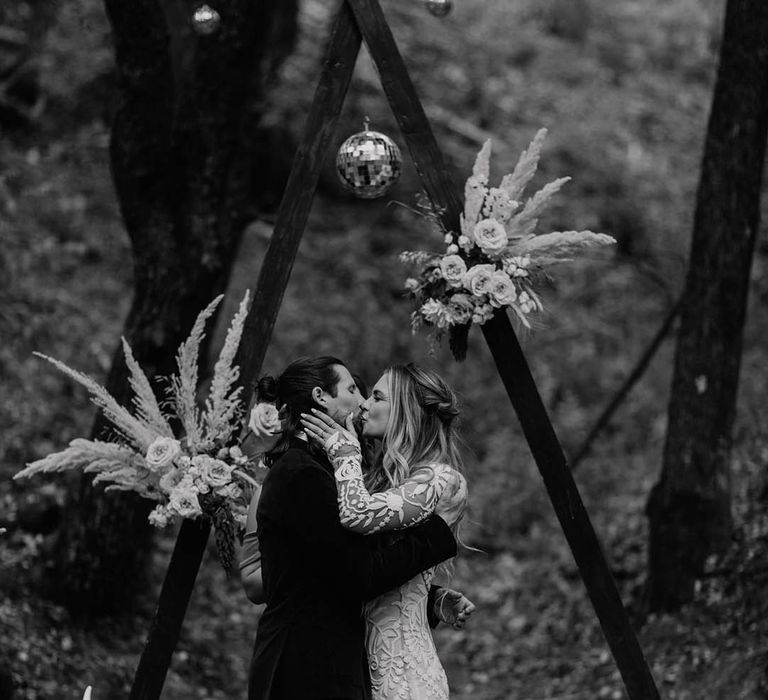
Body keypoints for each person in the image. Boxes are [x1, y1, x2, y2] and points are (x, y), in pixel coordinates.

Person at [243, 356, 462, 700]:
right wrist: (437, 535)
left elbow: (331, 567)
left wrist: (428, 600)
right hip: (306, 667)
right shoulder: (303, 475)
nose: (362, 403)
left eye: (373, 396)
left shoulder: (323, 472)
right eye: (352, 390)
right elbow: (359, 576)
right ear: (320, 396)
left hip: (329, 662)